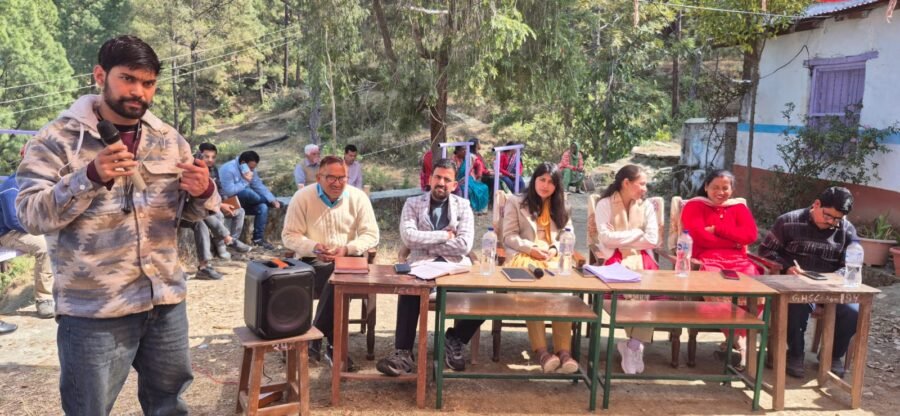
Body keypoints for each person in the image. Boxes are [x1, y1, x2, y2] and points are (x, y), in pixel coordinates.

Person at [15, 35, 220, 415]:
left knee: (169, 406)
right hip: (94, 310)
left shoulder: (169, 140)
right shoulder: (57, 140)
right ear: (100, 75)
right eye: (128, 79)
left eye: (148, 83)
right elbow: (30, 215)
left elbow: (186, 216)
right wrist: (88, 177)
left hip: (165, 302)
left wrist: (203, 192)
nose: (139, 91)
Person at [376, 158, 484, 375]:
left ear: (454, 185)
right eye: (437, 177)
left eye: (447, 179)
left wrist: (425, 241)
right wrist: (444, 236)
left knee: (482, 297)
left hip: (454, 268)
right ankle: (403, 354)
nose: (441, 183)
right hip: (421, 266)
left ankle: (454, 339)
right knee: (410, 290)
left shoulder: (463, 205)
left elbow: (464, 244)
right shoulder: (412, 203)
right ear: (430, 179)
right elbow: (409, 237)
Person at [282, 155, 379, 370]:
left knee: (339, 273)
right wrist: (314, 247)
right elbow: (289, 236)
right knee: (336, 277)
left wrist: (347, 249)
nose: (337, 183)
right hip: (311, 263)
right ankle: (335, 346)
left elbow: (371, 235)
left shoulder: (358, 197)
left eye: (342, 178)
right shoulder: (302, 197)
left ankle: (315, 338)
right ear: (319, 177)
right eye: (331, 178)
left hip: (347, 261)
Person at [759, 187, 859, 379]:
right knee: (797, 304)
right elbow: (766, 251)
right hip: (795, 285)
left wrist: (835, 277)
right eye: (828, 216)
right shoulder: (788, 221)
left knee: (852, 311)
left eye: (837, 219)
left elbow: (852, 265)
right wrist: (787, 267)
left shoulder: (846, 229)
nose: (831, 222)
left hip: (830, 288)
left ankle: (832, 355)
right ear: (816, 204)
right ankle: (795, 353)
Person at [501, 162, 579, 373]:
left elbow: (568, 234)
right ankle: (543, 353)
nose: (545, 185)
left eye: (551, 182)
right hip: (524, 257)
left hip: (552, 259)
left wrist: (554, 248)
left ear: (557, 186)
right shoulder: (516, 202)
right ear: (534, 180)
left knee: (563, 294)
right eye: (542, 180)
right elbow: (508, 236)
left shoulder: (561, 205)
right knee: (533, 293)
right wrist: (531, 249)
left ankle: (564, 353)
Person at [680, 169, 761, 367]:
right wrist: (734, 241)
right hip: (708, 260)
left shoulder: (738, 208)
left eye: (725, 188)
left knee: (756, 289)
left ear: (732, 190)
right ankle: (740, 341)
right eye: (715, 187)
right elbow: (700, 237)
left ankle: (736, 337)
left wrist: (718, 230)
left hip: (740, 261)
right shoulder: (694, 206)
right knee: (718, 289)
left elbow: (750, 236)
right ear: (706, 186)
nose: (720, 192)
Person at [593, 164, 659, 374]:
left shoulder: (646, 206)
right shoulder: (605, 204)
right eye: (642, 184)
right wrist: (637, 233)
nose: (645, 189)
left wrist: (619, 238)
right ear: (626, 183)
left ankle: (632, 345)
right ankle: (634, 344)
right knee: (621, 294)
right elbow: (605, 238)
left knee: (651, 294)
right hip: (614, 261)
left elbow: (653, 240)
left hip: (643, 260)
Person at [1, 146, 55, 319]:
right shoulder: (12, 186)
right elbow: (12, 221)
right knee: (44, 247)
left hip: (27, 228)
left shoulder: (38, 183)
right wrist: (42, 228)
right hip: (8, 233)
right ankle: (44, 300)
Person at [190, 142, 251, 280]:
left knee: (239, 211)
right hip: (193, 208)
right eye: (206, 156)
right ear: (199, 155)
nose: (210, 160)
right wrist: (220, 205)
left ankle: (207, 264)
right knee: (206, 215)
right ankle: (227, 242)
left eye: (213, 157)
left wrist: (225, 202)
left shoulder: (213, 170)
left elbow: (219, 189)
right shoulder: (193, 170)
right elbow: (196, 198)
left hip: (209, 206)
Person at [219, 150, 281, 250]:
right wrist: (245, 181)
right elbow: (229, 191)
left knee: (262, 207)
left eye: (254, 168)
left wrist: (272, 199)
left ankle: (258, 239)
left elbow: (258, 185)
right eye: (251, 167)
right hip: (228, 202)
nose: (252, 170)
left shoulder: (249, 170)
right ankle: (266, 201)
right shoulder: (228, 169)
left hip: (244, 202)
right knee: (247, 192)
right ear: (243, 163)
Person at [452, 145, 489, 215]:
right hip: (458, 181)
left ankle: (481, 209)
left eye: (466, 149)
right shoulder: (453, 160)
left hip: (470, 180)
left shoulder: (470, 157)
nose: (465, 151)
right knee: (468, 190)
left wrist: (479, 174)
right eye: (463, 150)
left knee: (484, 187)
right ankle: (471, 209)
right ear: (457, 151)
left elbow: (479, 164)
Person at [469, 138, 496, 207]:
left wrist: (490, 170)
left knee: (499, 179)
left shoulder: (478, 154)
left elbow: (482, 167)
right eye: (479, 143)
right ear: (476, 145)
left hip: (483, 173)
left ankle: (492, 201)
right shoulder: (472, 156)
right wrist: (488, 172)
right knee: (494, 180)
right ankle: (491, 202)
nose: (480, 144)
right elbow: (478, 168)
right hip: (478, 176)